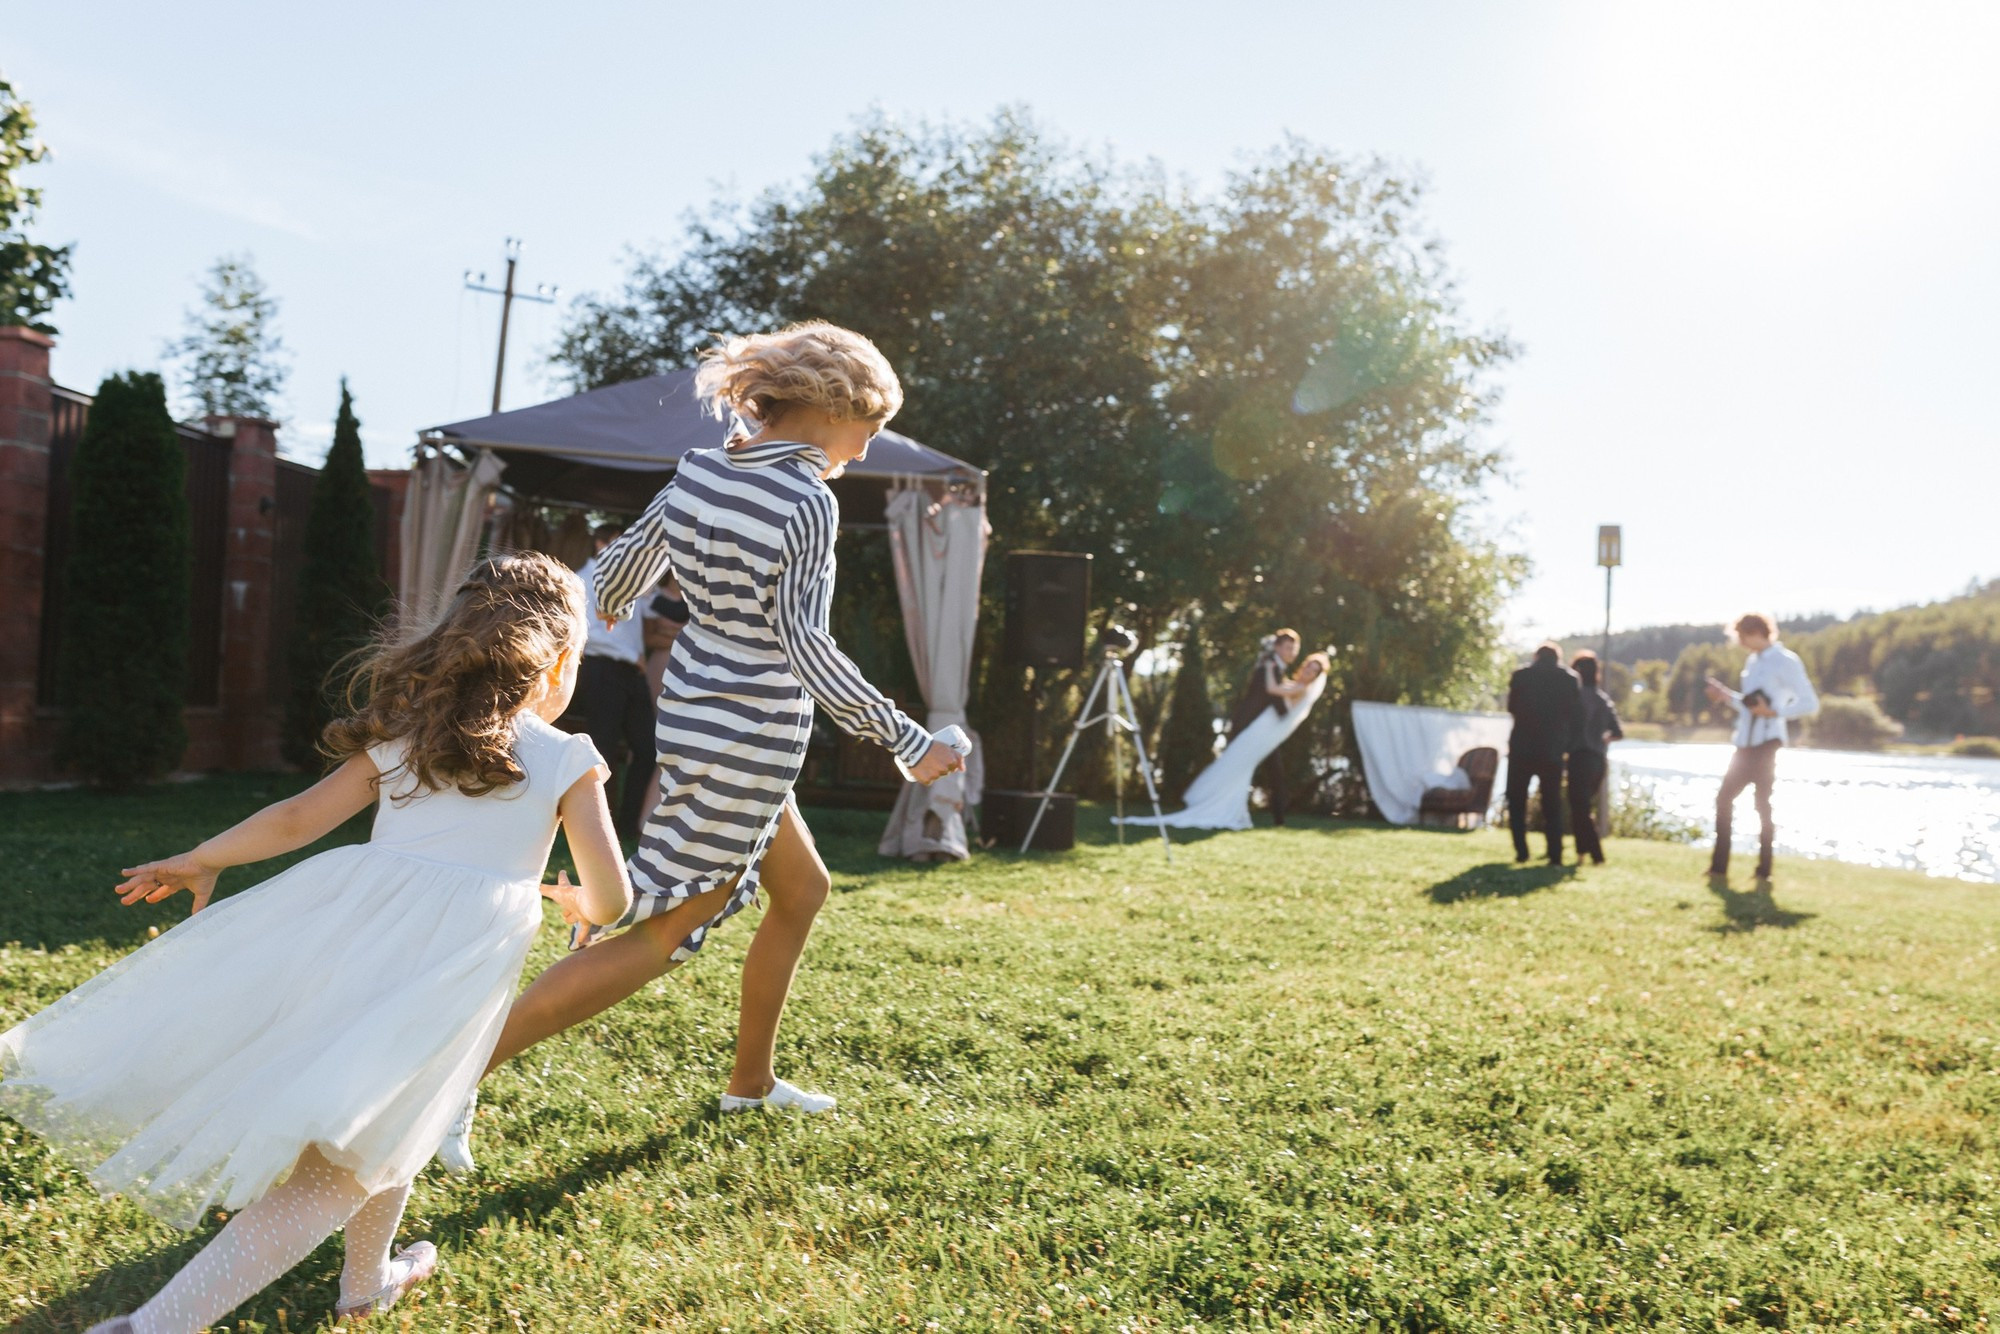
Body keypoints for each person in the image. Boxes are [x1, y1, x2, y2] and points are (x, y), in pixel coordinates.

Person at [0, 553, 633, 1333]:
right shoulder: (569, 757)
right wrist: (579, 901)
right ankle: (149, 1327)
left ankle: (365, 1280)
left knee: (399, 1116)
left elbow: (299, 819)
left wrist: (205, 857)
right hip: (442, 972)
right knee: (335, 1171)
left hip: (347, 940)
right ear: (561, 662)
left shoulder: (411, 735)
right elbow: (614, 896)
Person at [436, 321, 962, 1173]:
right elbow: (806, 646)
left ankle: (749, 1082)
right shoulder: (806, 502)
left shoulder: (700, 473)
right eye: (867, 428)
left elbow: (609, 581)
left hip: (696, 719)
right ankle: (452, 1078)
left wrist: (518, 638)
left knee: (802, 888)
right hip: (752, 732)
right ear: (832, 408)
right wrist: (905, 740)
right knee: (662, 934)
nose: (864, 451)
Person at [1123, 652, 1332, 831]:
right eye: (1308, 667)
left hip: (1262, 732)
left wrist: (1269, 667)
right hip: (1259, 728)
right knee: (1234, 762)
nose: (1308, 672)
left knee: (1239, 764)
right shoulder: (1295, 684)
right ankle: (1219, 804)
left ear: (1316, 676)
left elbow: (1273, 689)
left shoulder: (1300, 690)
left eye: (1313, 671)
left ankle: (1225, 808)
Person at [562, 524, 661, 841]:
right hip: (601, 669)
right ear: (600, 544)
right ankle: (595, 830)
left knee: (648, 749)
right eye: (618, 545)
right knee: (602, 748)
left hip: (633, 673)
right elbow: (587, 633)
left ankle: (627, 825)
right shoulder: (582, 579)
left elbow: (654, 604)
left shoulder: (632, 582)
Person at [1704, 612, 1820, 880]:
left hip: (1767, 742)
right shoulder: (1753, 662)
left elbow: (1809, 703)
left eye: (1742, 637)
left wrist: (1774, 712)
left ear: (1756, 632)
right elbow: (1748, 705)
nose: (1741, 642)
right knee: (1724, 800)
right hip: (1745, 741)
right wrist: (1726, 696)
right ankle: (1719, 868)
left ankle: (1763, 870)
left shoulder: (1785, 661)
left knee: (1762, 804)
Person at [1506, 642, 1584, 864]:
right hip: (1552, 749)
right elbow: (1577, 717)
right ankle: (1555, 854)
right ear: (1557, 657)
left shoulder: (1521, 676)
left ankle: (1521, 852)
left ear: (1536, 656)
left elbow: (1512, 708)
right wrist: (1567, 746)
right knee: (1552, 803)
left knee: (1516, 801)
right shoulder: (1569, 679)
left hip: (1521, 747)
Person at [1226, 629, 1301, 825]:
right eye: (1288, 648)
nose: (1292, 652)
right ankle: (1273, 817)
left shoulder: (1274, 667)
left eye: (1294, 648)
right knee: (1246, 771)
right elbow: (1271, 697)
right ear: (1277, 647)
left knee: (1274, 771)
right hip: (1249, 727)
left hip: (1261, 730)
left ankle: (1278, 817)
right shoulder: (1270, 667)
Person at [1566, 650, 1625, 866]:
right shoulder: (1603, 700)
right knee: (1583, 808)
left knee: (1579, 808)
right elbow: (1617, 732)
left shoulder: (1574, 698)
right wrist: (1601, 739)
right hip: (1599, 761)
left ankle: (1595, 855)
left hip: (1580, 758)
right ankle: (1584, 855)